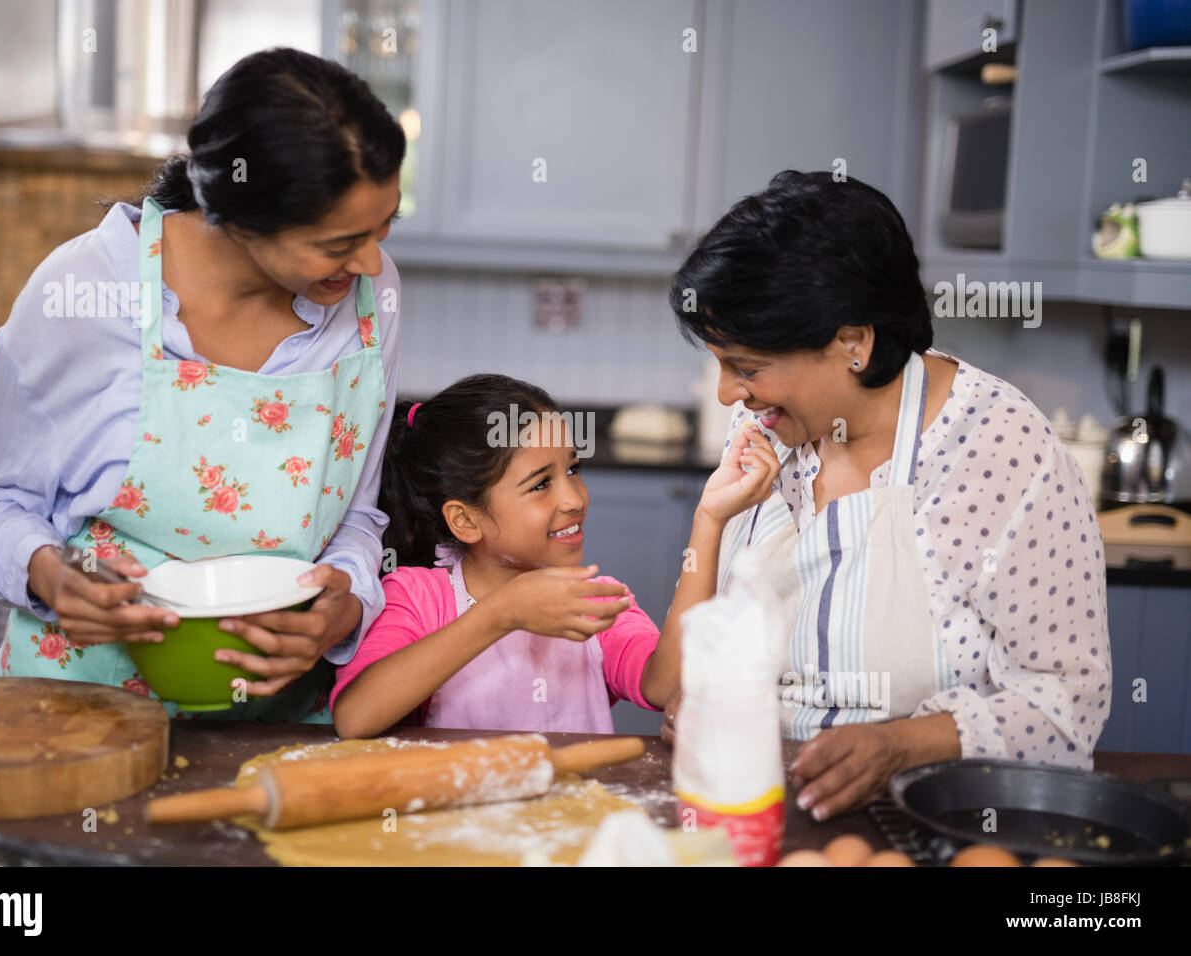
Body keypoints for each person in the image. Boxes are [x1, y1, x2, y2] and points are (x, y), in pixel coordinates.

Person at [0, 49, 406, 721]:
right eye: (338, 243)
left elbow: (358, 518)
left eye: (384, 227)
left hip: (276, 721)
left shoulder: (371, 301)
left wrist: (348, 601)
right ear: (242, 213)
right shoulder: (85, 291)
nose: (371, 260)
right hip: (81, 715)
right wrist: (52, 575)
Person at [661, 170, 1111, 821]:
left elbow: (1066, 701)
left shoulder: (1004, 452)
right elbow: (724, 632)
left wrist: (898, 746)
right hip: (755, 805)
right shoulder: (765, 428)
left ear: (853, 343)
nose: (729, 393)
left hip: (929, 819)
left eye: (747, 368)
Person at [328, 374, 774, 737]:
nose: (574, 498)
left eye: (573, 469)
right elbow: (356, 718)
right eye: (541, 483)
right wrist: (501, 614)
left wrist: (709, 520)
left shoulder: (594, 601)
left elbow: (666, 685)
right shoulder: (417, 597)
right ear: (466, 520)